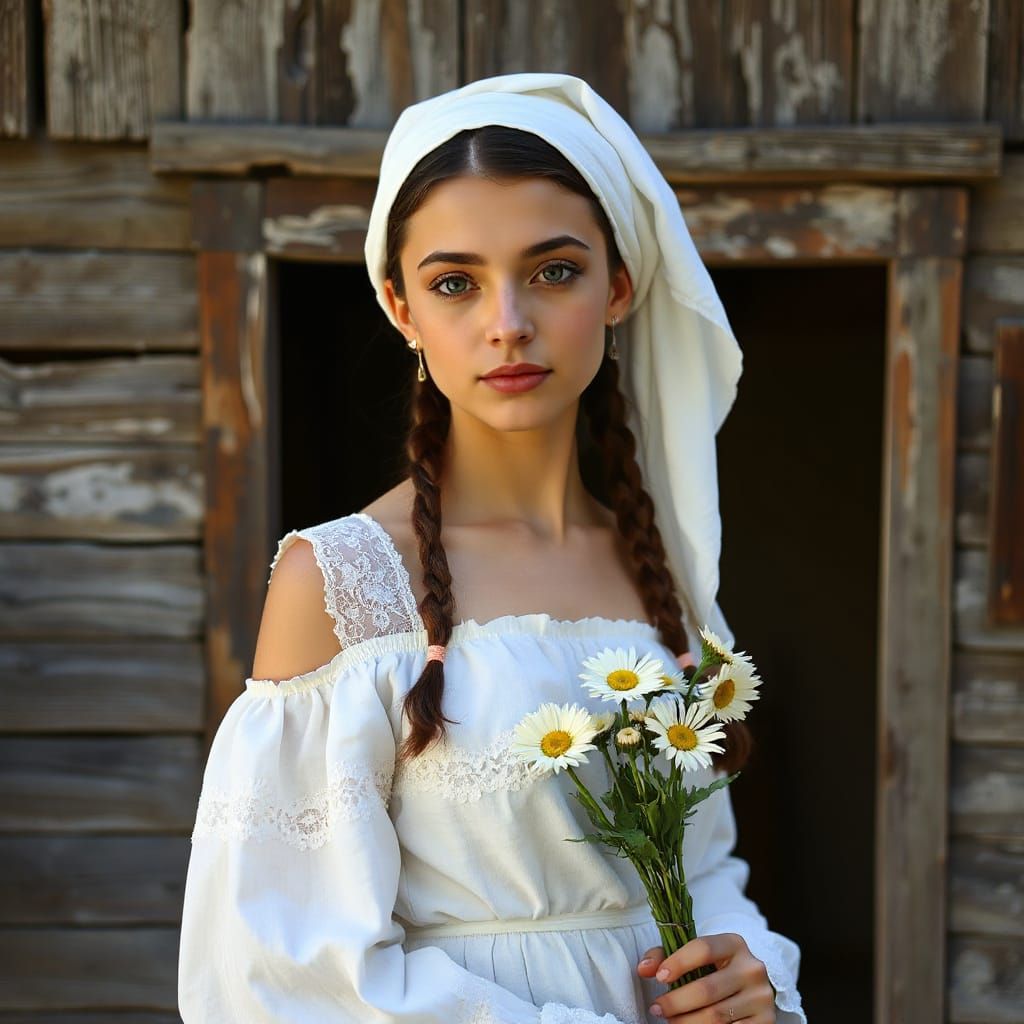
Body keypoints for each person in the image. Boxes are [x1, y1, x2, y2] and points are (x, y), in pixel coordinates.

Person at [177, 73, 807, 1024]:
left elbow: (706, 865)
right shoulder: (342, 582)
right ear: (401, 308)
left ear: (618, 286)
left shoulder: (660, 573)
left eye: (553, 271)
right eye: (455, 283)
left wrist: (748, 974)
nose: (507, 321)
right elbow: (284, 976)